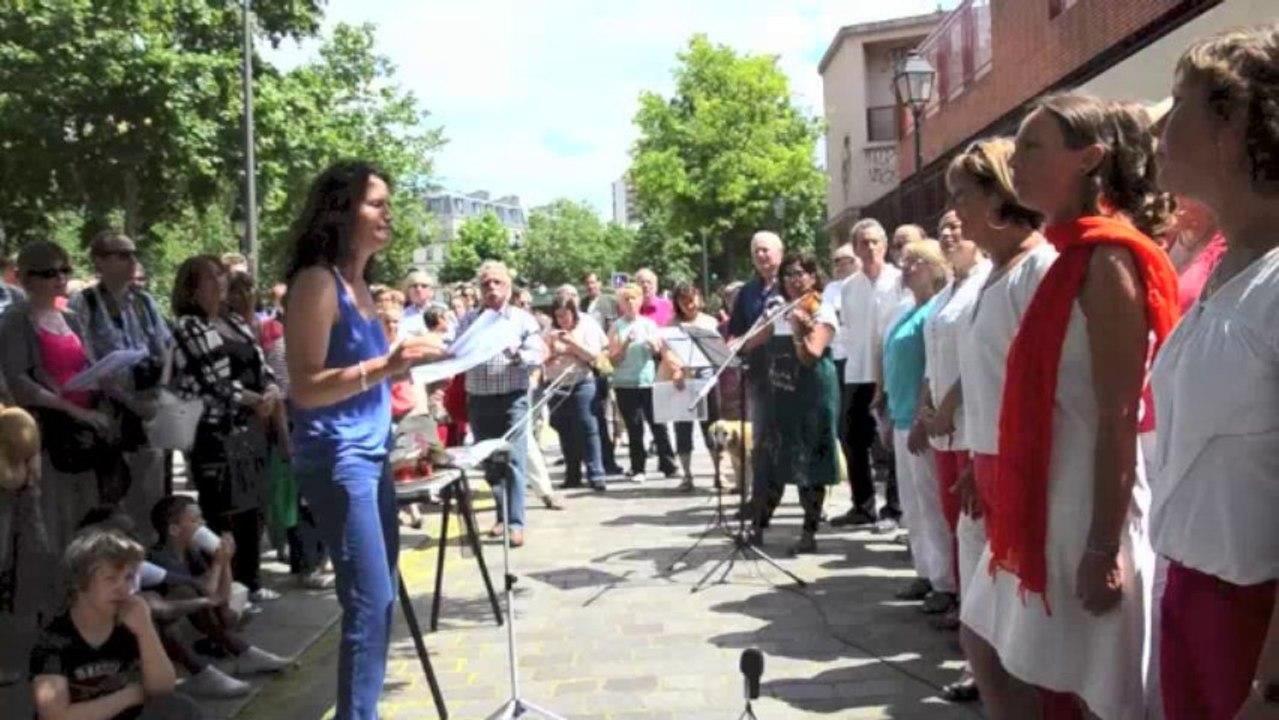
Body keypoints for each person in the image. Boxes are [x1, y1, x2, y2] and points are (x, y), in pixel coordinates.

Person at [961, 95, 1178, 720]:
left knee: (1093, 690)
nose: (1017, 161)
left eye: (1033, 147)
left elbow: (1119, 414)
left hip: (1088, 511)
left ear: (1089, 160)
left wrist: (1101, 547)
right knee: (987, 641)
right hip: (1048, 500)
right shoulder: (1069, 256)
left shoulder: (1109, 261)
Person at [1150, 25, 1279, 720]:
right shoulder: (1226, 264)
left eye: (1180, 104)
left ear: (1231, 126)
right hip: (1191, 597)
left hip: (1251, 625)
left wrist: (1270, 683)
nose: (1161, 127)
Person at [285, 161, 445, 720]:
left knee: (378, 602)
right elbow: (304, 386)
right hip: (338, 457)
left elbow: (369, 372)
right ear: (341, 209)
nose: (388, 213)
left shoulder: (360, 286)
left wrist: (410, 366)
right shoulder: (316, 282)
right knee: (369, 600)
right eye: (376, 203)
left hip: (374, 453)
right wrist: (386, 365)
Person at [171, 259, 280, 603]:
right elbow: (213, 380)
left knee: (255, 507)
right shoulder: (189, 327)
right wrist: (254, 399)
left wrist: (272, 391)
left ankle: (252, 582)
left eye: (221, 275)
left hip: (251, 426)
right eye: (211, 277)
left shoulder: (234, 320)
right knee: (226, 509)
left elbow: (261, 365)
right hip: (216, 432)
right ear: (192, 287)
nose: (220, 283)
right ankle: (225, 590)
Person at [0, 241, 118, 555]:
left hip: (84, 429)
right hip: (49, 433)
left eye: (64, 270)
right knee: (53, 523)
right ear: (26, 277)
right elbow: (20, 381)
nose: (61, 278)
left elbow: (86, 363)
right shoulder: (15, 320)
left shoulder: (72, 317)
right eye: (50, 272)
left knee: (87, 518)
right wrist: (71, 409)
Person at [30, 527, 201, 720]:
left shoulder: (127, 623)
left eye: (128, 578)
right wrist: (128, 696)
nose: (123, 589)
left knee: (182, 708)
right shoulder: (55, 638)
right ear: (79, 582)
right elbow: (56, 716)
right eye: (111, 579)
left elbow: (163, 688)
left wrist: (145, 630)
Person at [71, 230, 173, 542]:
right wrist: (127, 399)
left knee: (152, 495)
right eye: (122, 254)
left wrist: (162, 392)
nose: (132, 261)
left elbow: (167, 349)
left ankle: (151, 559)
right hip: (110, 413)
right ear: (100, 262)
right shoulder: (84, 304)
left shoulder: (144, 302)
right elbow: (85, 360)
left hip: (149, 409)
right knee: (112, 497)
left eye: (133, 253)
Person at [919, 211, 992, 627]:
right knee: (952, 518)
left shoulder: (985, 282)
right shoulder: (949, 288)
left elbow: (979, 354)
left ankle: (979, 618)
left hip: (969, 423)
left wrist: (948, 405)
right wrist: (928, 400)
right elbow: (935, 353)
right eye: (942, 227)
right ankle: (965, 604)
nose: (948, 234)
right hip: (941, 426)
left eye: (958, 226)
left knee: (974, 525)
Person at [146, 496, 290, 694]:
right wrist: (219, 563)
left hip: (197, 615)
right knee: (187, 592)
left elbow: (221, 596)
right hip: (166, 623)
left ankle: (245, 653)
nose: (202, 525)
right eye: (195, 521)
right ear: (174, 530)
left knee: (227, 613)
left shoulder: (191, 552)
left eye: (202, 519)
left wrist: (226, 561)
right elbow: (207, 591)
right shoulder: (159, 557)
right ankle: (207, 671)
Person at [750, 253, 840, 555]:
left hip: (813, 393)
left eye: (801, 273)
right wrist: (728, 347)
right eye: (788, 274)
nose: (794, 279)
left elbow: (811, 355)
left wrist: (800, 333)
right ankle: (758, 524)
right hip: (782, 390)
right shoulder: (778, 307)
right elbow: (755, 339)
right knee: (772, 457)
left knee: (808, 461)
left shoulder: (823, 309)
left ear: (813, 277)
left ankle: (809, 531)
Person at [882, 240, 951, 610]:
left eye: (916, 262)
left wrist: (923, 412)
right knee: (912, 502)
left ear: (935, 267)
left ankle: (944, 581)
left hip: (921, 417)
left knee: (930, 501)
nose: (906, 267)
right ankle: (925, 571)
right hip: (900, 412)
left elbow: (932, 367)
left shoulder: (937, 309)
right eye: (905, 261)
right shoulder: (906, 309)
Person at [457, 260, 544, 548]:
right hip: (479, 399)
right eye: (486, 284)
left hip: (512, 398)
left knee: (514, 459)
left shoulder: (522, 319)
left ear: (508, 286)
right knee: (490, 462)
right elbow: (454, 351)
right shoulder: (469, 320)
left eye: (498, 282)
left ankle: (516, 523)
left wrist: (516, 354)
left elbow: (536, 354)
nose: (492, 288)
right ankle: (501, 515)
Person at [831, 219, 910, 529]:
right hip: (858, 369)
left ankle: (894, 507)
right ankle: (862, 505)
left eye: (875, 241)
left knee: (891, 441)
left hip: (891, 371)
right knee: (852, 438)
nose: (869, 248)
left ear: (885, 245)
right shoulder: (849, 287)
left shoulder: (899, 280)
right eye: (863, 243)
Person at [728, 232, 784, 499]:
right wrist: (733, 344)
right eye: (756, 252)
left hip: (790, 374)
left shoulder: (790, 284)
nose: (760, 256)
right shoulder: (747, 292)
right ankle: (760, 499)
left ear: (780, 253)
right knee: (760, 439)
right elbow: (735, 330)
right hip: (759, 374)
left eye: (765, 250)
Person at [609, 284, 683, 483]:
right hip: (626, 383)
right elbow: (614, 359)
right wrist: (626, 343)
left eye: (634, 298)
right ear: (621, 304)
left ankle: (668, 464)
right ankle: (638, 467)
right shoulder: (617, 326)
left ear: (641, 300)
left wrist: (654, 347)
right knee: (635, 427)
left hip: (648, 381)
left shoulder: (649, 324)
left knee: (659, 424)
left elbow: (660, 350)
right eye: (627, 299)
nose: (631, 303)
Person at [544, 296, 608, 492]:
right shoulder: (549, 330)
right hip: (557, 383)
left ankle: (596, 473)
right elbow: (541, 356)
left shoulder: (586, 325)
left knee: (587, 425)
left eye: (565, 315)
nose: (562, 320)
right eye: (558, 316)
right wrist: (554, 351)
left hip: (582, 381)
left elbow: (594, 355)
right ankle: (572, 474)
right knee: (564, 427)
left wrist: (572, 344)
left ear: (574, 313)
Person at [667, 282, 719, 491]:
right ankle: (687, 475)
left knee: (712, 428)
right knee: (682, 429)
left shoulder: (710, 322)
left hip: (707, 377)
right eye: (683, 301)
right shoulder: (672, 324)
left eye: (692, 299)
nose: (689, 305)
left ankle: (719, 472)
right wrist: (676, 369)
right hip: (683, 378)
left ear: (698, 298)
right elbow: (667, 350)